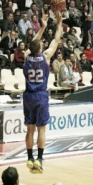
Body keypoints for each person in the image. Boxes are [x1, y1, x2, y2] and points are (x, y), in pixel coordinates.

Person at [23, 12, 62, 174]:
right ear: (40, 48)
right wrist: (59, 23)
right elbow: (56, 40)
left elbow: (33, 43)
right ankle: (39, 159)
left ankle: (29, 158)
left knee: (30, 130)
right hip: (41, 95)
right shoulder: (45, 57)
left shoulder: (26, 56)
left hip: (28, 96)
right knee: (41, 130)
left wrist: (43, 27)